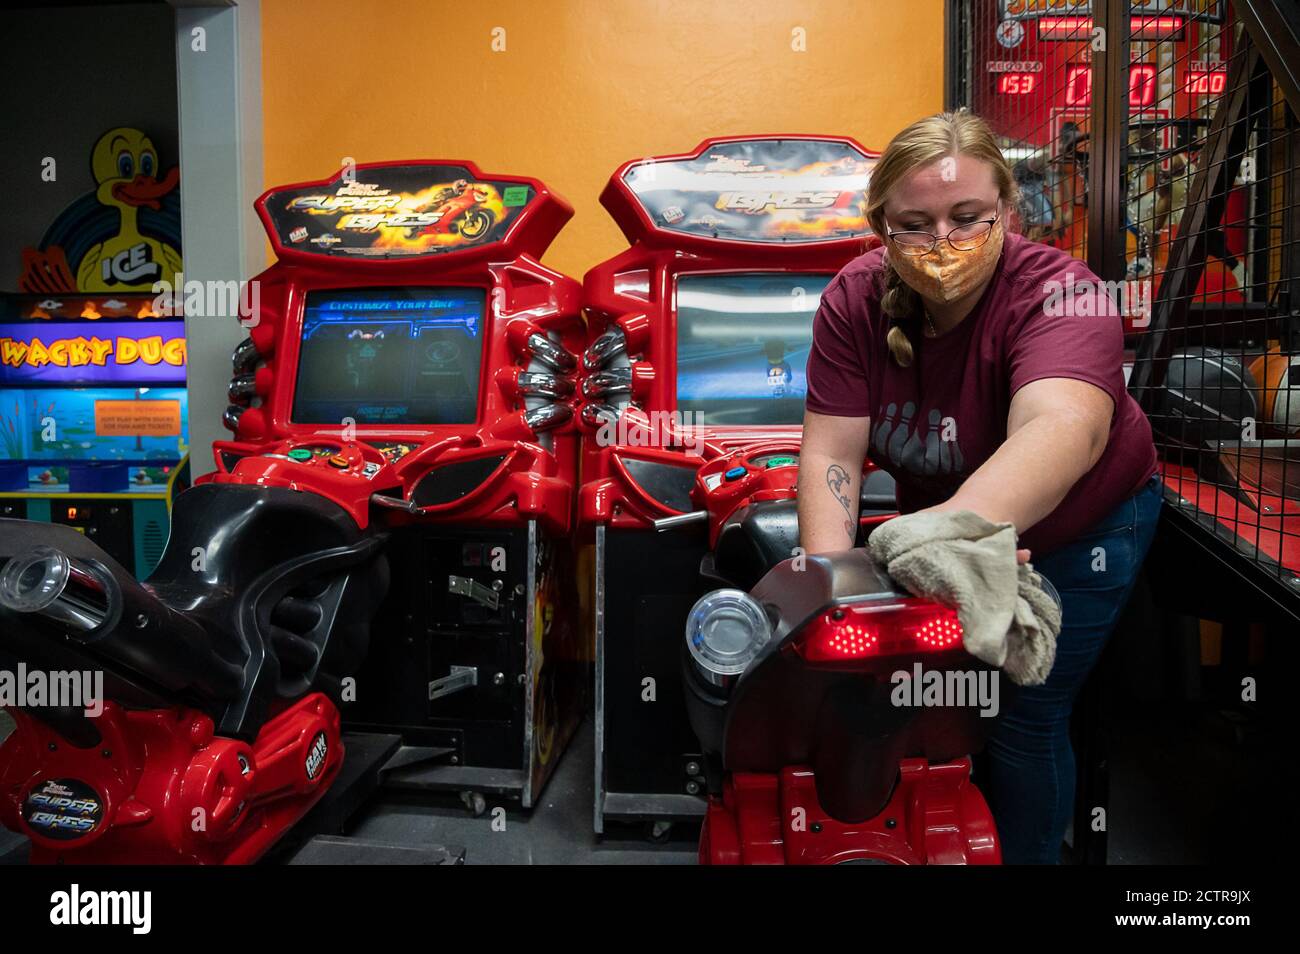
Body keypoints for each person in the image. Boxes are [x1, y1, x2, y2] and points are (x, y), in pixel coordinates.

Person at [796, 108, 1162, 864]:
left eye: (967, 218)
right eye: (916, 223)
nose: (943, 243)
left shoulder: (1067, 293)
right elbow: (834, 452)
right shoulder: (855, 299)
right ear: (882, 226)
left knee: (1022, 710)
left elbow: (1064, 429)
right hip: (937, 526)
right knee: (910, 695)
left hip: (1079, 528)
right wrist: (829, 589)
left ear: (1007, 211)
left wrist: (946, 535)